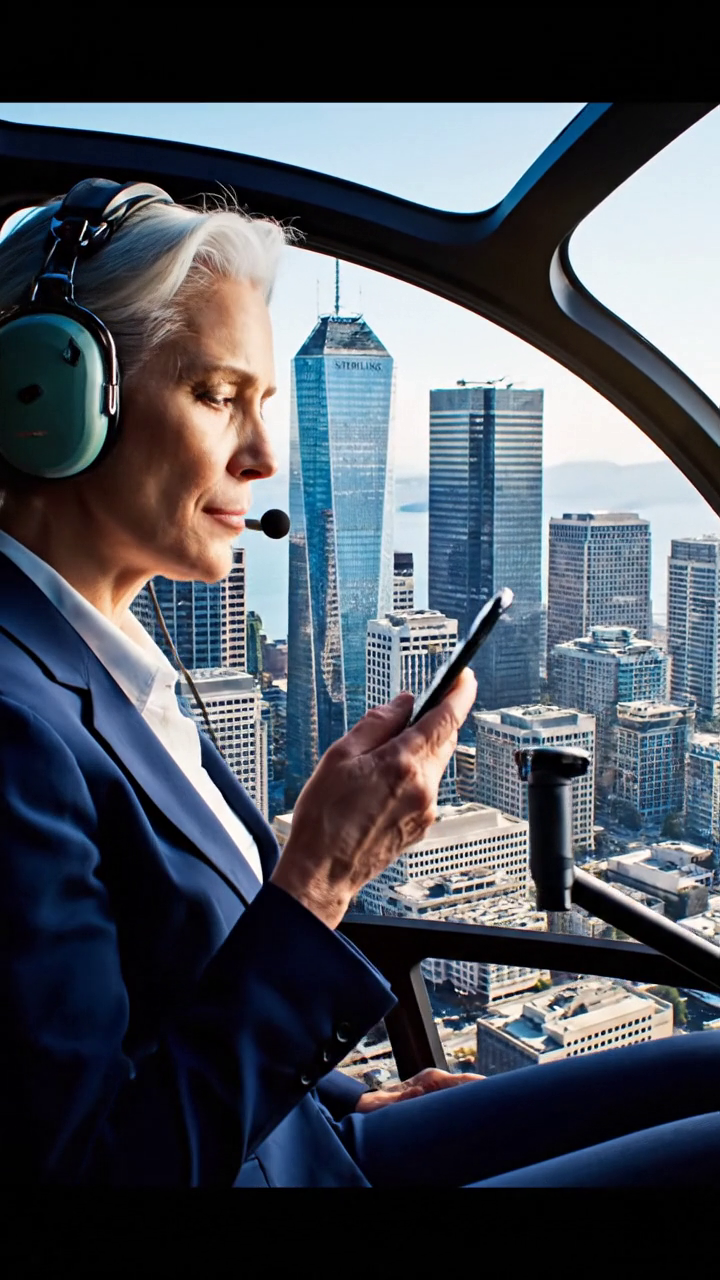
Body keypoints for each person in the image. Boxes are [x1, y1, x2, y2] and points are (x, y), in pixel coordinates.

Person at [1, 181, 719, 1189]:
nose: (261, 459)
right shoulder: (14, 727)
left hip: (308, 1133)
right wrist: (324, 874)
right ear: (45, 394)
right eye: (216, 395)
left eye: (265, 407)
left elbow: (171, 1003)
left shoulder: (102, 650)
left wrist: (337, 1093)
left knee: (704, 1065)